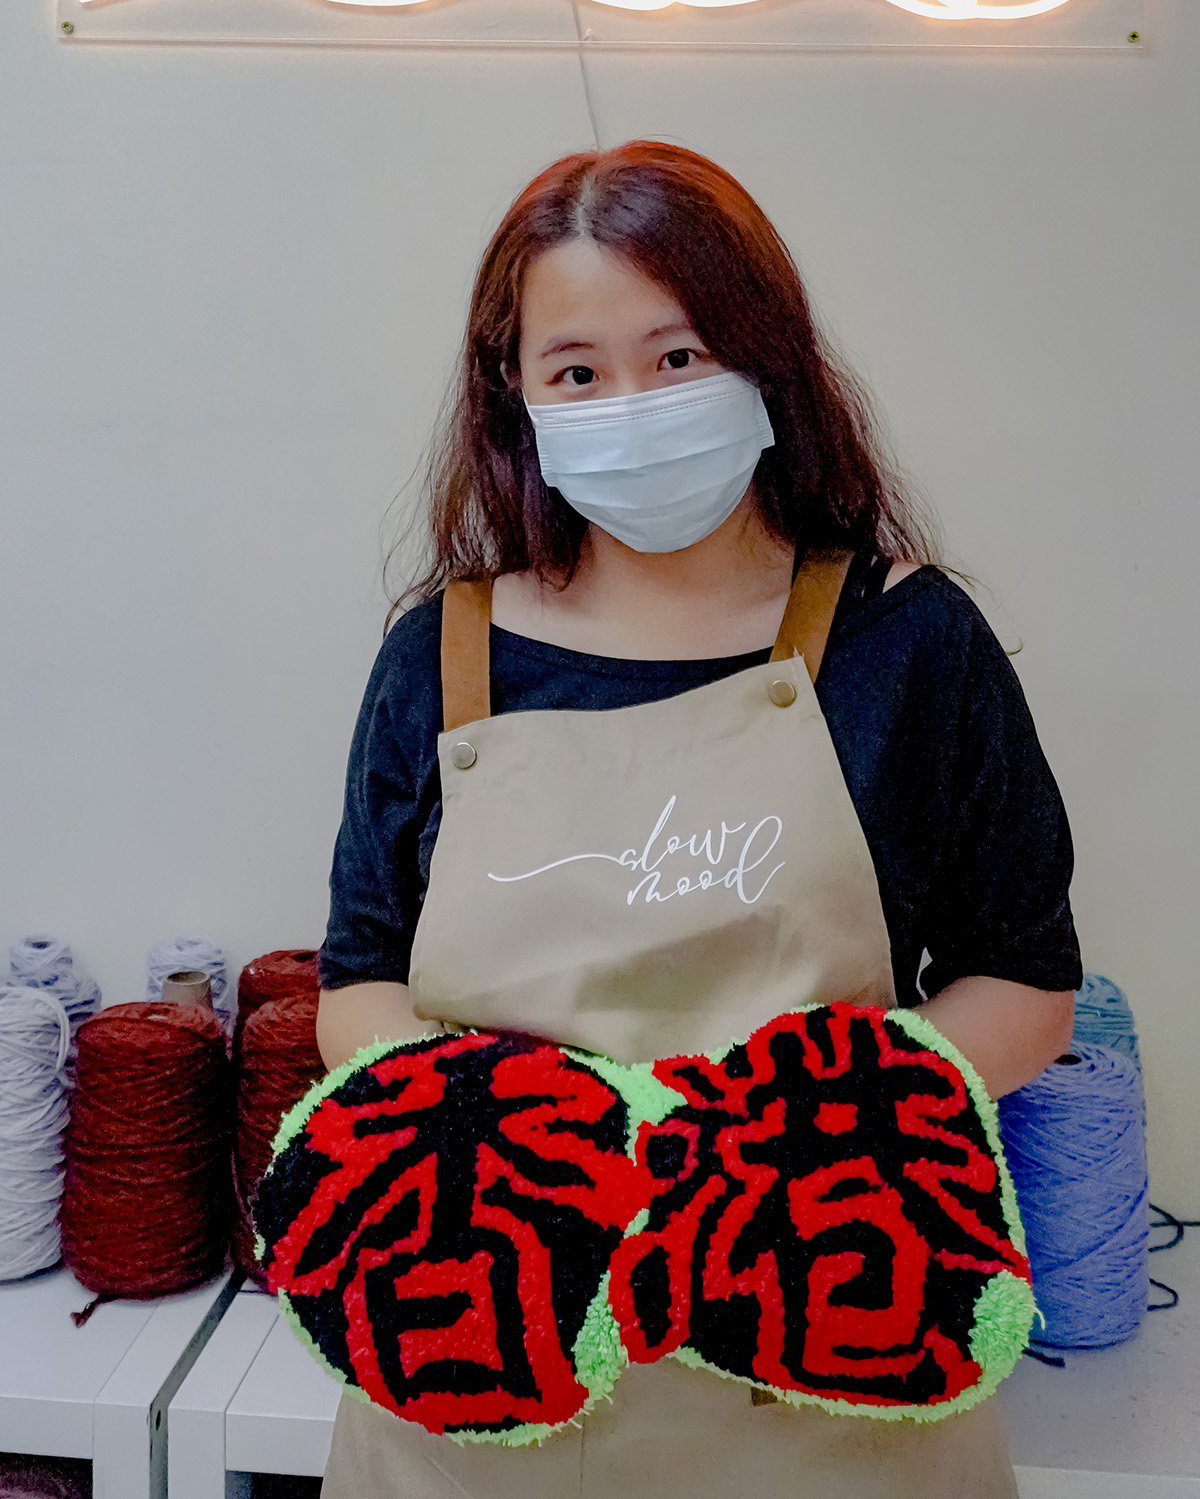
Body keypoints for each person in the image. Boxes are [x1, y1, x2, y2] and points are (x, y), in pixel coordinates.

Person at [315, 140, 1081, 1498]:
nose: (634, 404)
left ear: (764, 360)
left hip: (837, 1382)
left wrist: (771, 1147)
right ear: (516, 397)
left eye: (677, 356)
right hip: (485, 1388)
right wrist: (519, 1144)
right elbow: (359, 978)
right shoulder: (440, 655)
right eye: (577, 372)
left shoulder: (908, 642)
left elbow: (1024, 985)